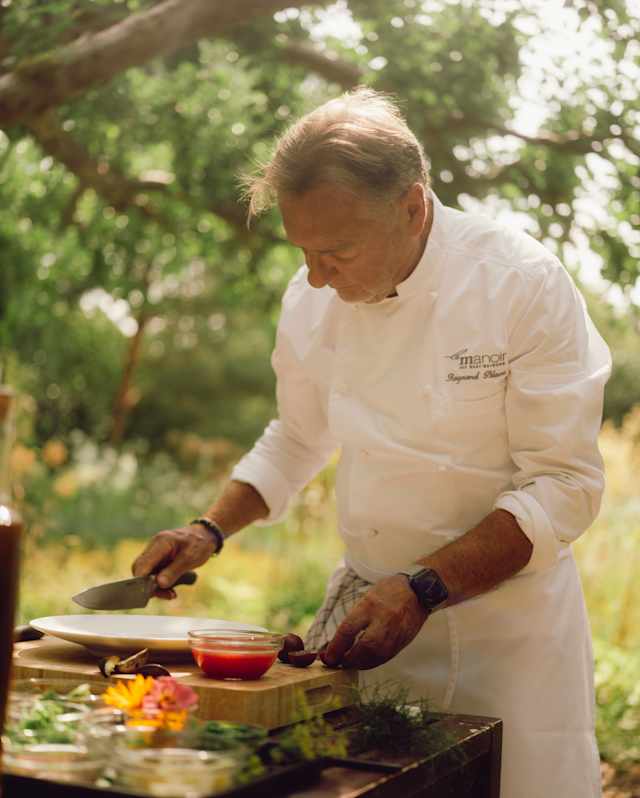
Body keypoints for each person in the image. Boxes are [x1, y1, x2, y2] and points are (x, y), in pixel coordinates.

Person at [132, 88, 611, 798]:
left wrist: (423, 586)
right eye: (303, 252)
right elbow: (296, 435)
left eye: (337, 251)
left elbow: (565, 486)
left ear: (413, 208)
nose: (317, 277)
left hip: (509, 644)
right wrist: (209, 528)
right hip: (369, 633)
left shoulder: (521, 283)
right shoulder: (310, 297)